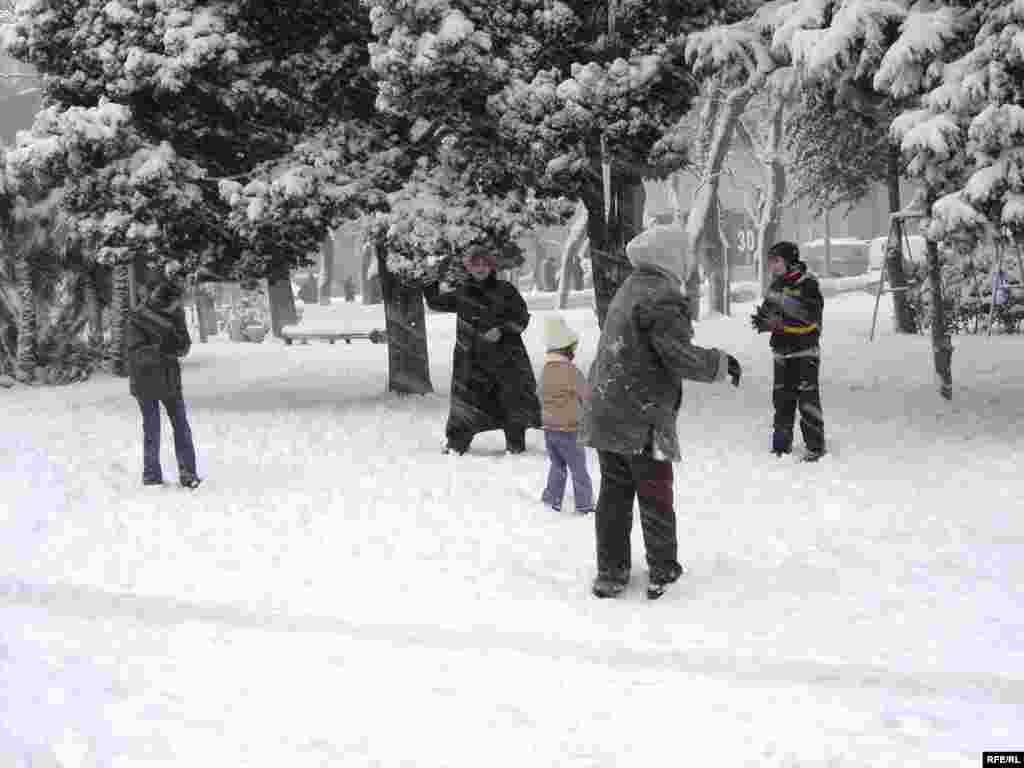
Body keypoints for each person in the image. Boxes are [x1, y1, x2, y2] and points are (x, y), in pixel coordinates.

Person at [579, 225, 742, 600]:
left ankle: (611, 571)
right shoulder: (663, 296)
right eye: (688, 256)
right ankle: (663, 570)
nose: (691, 264)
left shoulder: (632, 285)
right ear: (673, 257)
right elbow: (677, 354)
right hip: (641, 413)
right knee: (654, 492)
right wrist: (720, 363)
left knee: (615, 493)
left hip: (607, 406)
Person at [423, 245, 542, 455]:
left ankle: (515, 445)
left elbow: (522, 317)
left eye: (484, 264)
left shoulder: (506, 290)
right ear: (468, 267)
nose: (480, 268)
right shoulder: (462, 293)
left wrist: (503, 330)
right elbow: (435, 302)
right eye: (475, 264)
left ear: (491, 266)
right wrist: (431, 279)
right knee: (466, 403)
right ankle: (457, 443)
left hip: (506, 361)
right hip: (472, 361)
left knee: (510, 402)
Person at [751, 240, 826, 462]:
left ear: (790, 261)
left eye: (777, 261)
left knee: (807, 399)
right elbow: (769, 310)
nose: (773, 266)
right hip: (781, 352)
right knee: (782, 399)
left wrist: (781, 324)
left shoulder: (808, 284)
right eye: (770, 262)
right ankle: (781, 446)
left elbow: (811, 319)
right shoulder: (776, 285)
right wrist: (763, 320)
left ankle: (814, 446)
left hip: (805, 351)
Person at [126, 278, 201, 488]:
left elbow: (184, 346)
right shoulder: (138, 317)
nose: (177, 308)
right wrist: (162, 347)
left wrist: (174, 344)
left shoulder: (176, 315)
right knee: (152, 427)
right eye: (174, 304)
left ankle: (188, 473)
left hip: (169, 378)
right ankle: (151, 475)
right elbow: (135, 353)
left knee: (181, 426)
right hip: (145, 379)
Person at [538, 314, 593, 514]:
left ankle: (552, 499)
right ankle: (585, 505)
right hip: (570, 429)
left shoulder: (546, 371)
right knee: (579, 469)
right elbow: (587, 395)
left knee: (557, 465)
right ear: (567, 350)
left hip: (549, 429)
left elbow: (539, 393)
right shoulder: (571, 372)